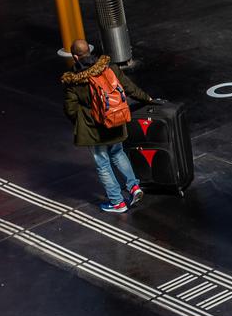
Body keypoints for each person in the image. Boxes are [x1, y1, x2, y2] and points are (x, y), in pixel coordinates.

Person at [61, 39, 161, 213]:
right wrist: (148, 99)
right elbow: (129, 88)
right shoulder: (109, 68)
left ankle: (117, 202)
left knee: (103, 164)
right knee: (118, 153)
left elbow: (70, 109)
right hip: (114, 120)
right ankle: (134, 187)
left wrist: (82, 121)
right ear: (89, 51)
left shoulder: (73, 81)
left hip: (94, 130)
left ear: (75, 57)